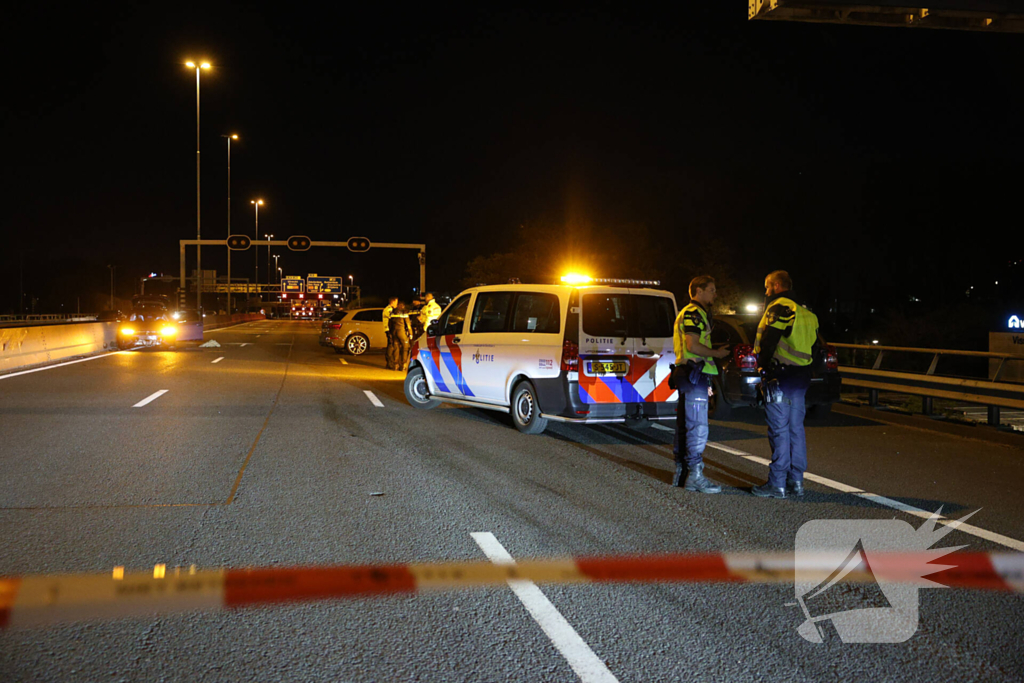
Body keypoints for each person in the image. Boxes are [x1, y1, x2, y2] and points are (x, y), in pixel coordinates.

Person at [751, 270, 819, 499]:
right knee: (796, 430)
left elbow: (769, 340)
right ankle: (796, 482)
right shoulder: (808, 314)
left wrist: (763, 367)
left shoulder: (780, 308)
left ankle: (777, 484)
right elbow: (817, 348)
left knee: (779, 431)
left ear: (777, 285)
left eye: (768, 287)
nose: (766, 292)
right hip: (800, 379)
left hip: (779, 376)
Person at [671, 275, 731, 493]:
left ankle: (681, 474)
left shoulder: (693, 313)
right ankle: (695, 476)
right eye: (712, 290)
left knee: (685, 425)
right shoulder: (693, 313)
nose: (715, 294)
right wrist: (716, 353)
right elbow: (693, 345)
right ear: (698, 290)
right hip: (693, 372)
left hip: (691, 373)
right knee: (698, 427)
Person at [388, 302, 413, 372]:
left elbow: (389, 324)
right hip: (401, 332)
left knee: (396, 348)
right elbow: (408, 325)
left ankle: (396, 365)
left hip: (394, 332)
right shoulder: (404, 313)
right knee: (405, 347)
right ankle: (403, 365)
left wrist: (391, 333)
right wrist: (410, 334)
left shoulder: (392, 313)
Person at [383, 297, 398, 369]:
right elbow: (392, 319)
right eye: (396, 302)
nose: (397, 304)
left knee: (391, 346)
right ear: (393, 302)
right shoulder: (389, 310)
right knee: (391, 346)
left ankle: (390, 363)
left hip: (389, 329)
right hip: (389, 330)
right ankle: (389, 363)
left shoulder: (389, 309)